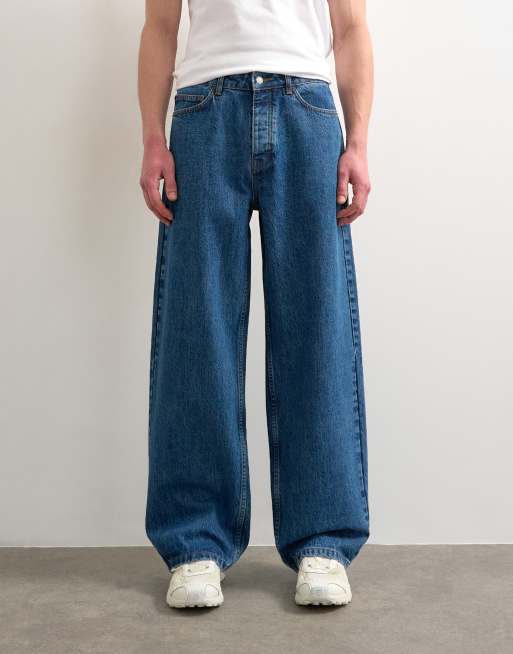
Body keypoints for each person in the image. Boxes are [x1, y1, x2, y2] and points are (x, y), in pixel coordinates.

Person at [138, 0, 373, 608]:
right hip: (203, 110)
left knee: (317, 325)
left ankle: (323, 540)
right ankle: (195, 543)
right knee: (197, 330)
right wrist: (152, 138)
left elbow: (351, 29)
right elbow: (160, 27)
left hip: (306, 108)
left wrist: (358, 142)